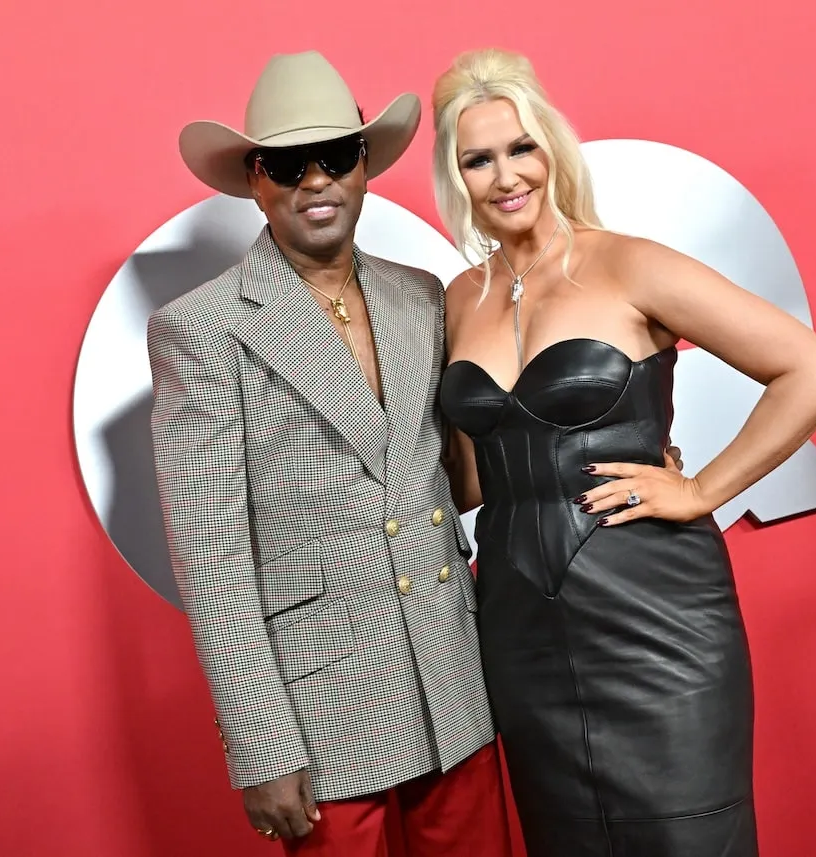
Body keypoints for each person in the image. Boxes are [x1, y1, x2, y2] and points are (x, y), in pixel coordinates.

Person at [431, 48, 816, 857]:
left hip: (655, 611)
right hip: (519, 623)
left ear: (551, 148)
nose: (504, 176)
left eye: (519, 147)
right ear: (457, 178)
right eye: (476, 159)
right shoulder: (456, 301)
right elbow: (471, 480)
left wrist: (702, 490)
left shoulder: (627, 262)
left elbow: (815, 369)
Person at [146, 51, 514, 856]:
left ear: (366, 169)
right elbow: (211, 556)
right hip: (324, 711)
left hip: (455, 673)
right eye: (287, 163)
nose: (316, 181)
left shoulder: (422, 294)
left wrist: (611, 444)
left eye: (336, 157)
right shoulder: (203, 328)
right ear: (255, 178)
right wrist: (261, 743)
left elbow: (456, 473)